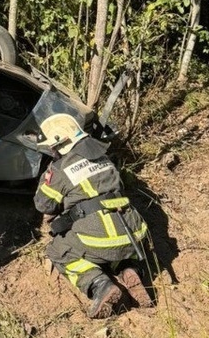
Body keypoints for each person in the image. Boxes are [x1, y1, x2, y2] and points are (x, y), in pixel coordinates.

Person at [34, 113, 153, 318]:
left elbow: (43, 204)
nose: (51, 151)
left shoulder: (60, 168)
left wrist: (47, 178)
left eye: (51, 147)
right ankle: (129, 270)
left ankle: (99, 285)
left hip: (99, 234)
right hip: (134, 232)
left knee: (58, 251)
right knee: (113, 248)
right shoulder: (103, 157)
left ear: (60, 143)